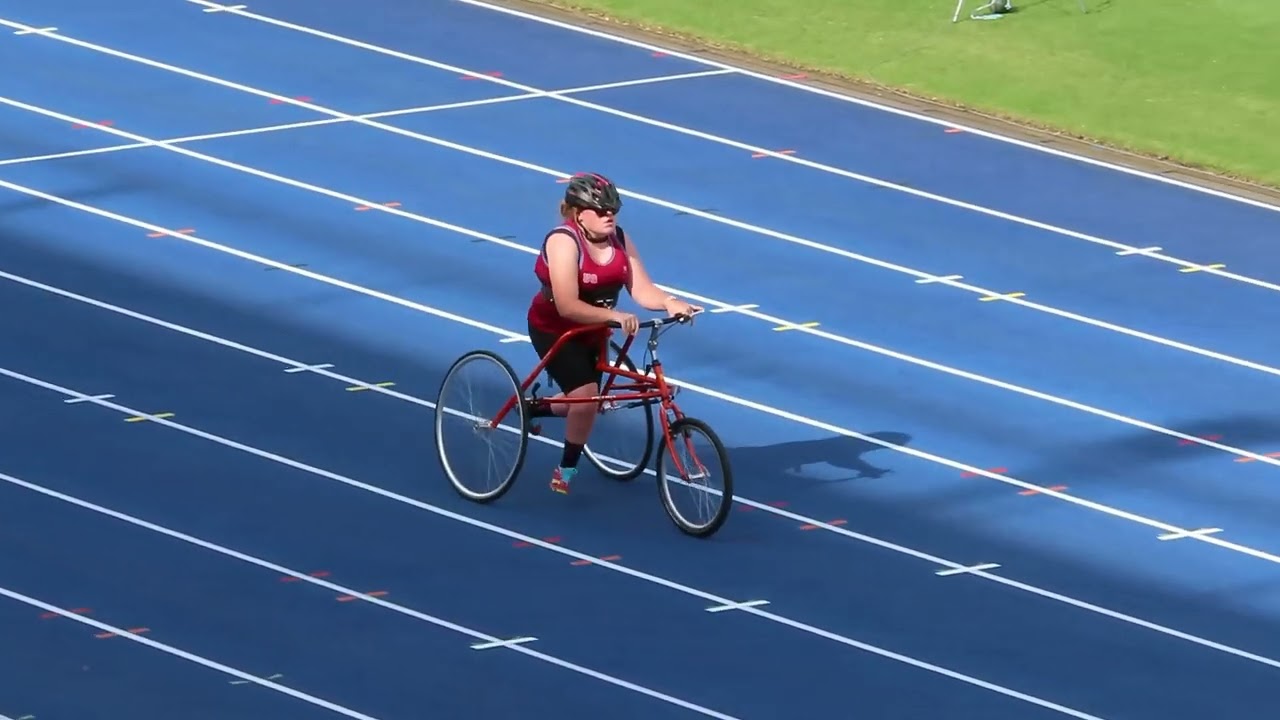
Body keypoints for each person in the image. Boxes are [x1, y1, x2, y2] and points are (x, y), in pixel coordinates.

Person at [525, 172, 700, 495]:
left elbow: (643, 289)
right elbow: (566, 305)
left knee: (587, 399)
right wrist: (614, 316)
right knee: (587, 396)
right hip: (556, 328)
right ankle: (566, 469)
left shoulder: (619, 237)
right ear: (579, 213)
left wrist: (670, 303)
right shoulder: (563, 241)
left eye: (613, 210)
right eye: (602, 211)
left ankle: (534, 408)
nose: (610, 216)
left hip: (596, 329)